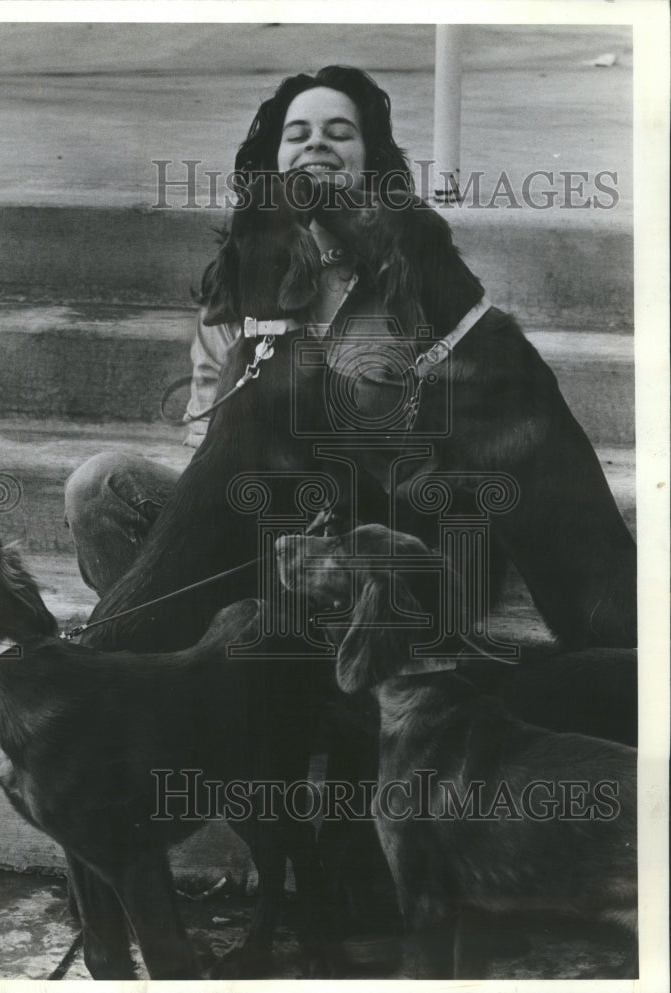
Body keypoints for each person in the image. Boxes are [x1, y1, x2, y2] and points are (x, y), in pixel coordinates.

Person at [65, 65, 412, 596]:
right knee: (99, 486)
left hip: (356, 528)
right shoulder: (243, 273)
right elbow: (207, 454)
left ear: (372, 161)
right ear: (274, 160)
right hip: (247, 519)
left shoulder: (411, 274)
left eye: (339, 133)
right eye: (297, 136)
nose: (316, 143)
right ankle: (152, 654)